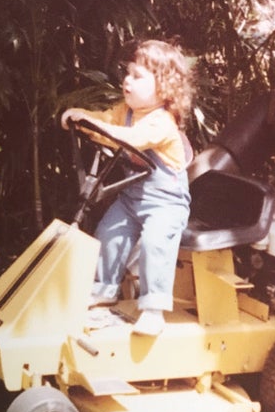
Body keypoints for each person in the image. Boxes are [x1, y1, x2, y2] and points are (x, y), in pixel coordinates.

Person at [61, 39, 194, 336]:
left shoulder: (162, 122)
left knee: (155, 243)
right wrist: (82, 119)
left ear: (164, 88)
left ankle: (154, 309)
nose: (127, 81)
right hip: (132, 198)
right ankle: (103, 289)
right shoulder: (126, 111)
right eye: (128, 73)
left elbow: (131, 139)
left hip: (166, 204)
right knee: (109, 232)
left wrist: (95, 125)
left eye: (137, 76)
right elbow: (106, 122)